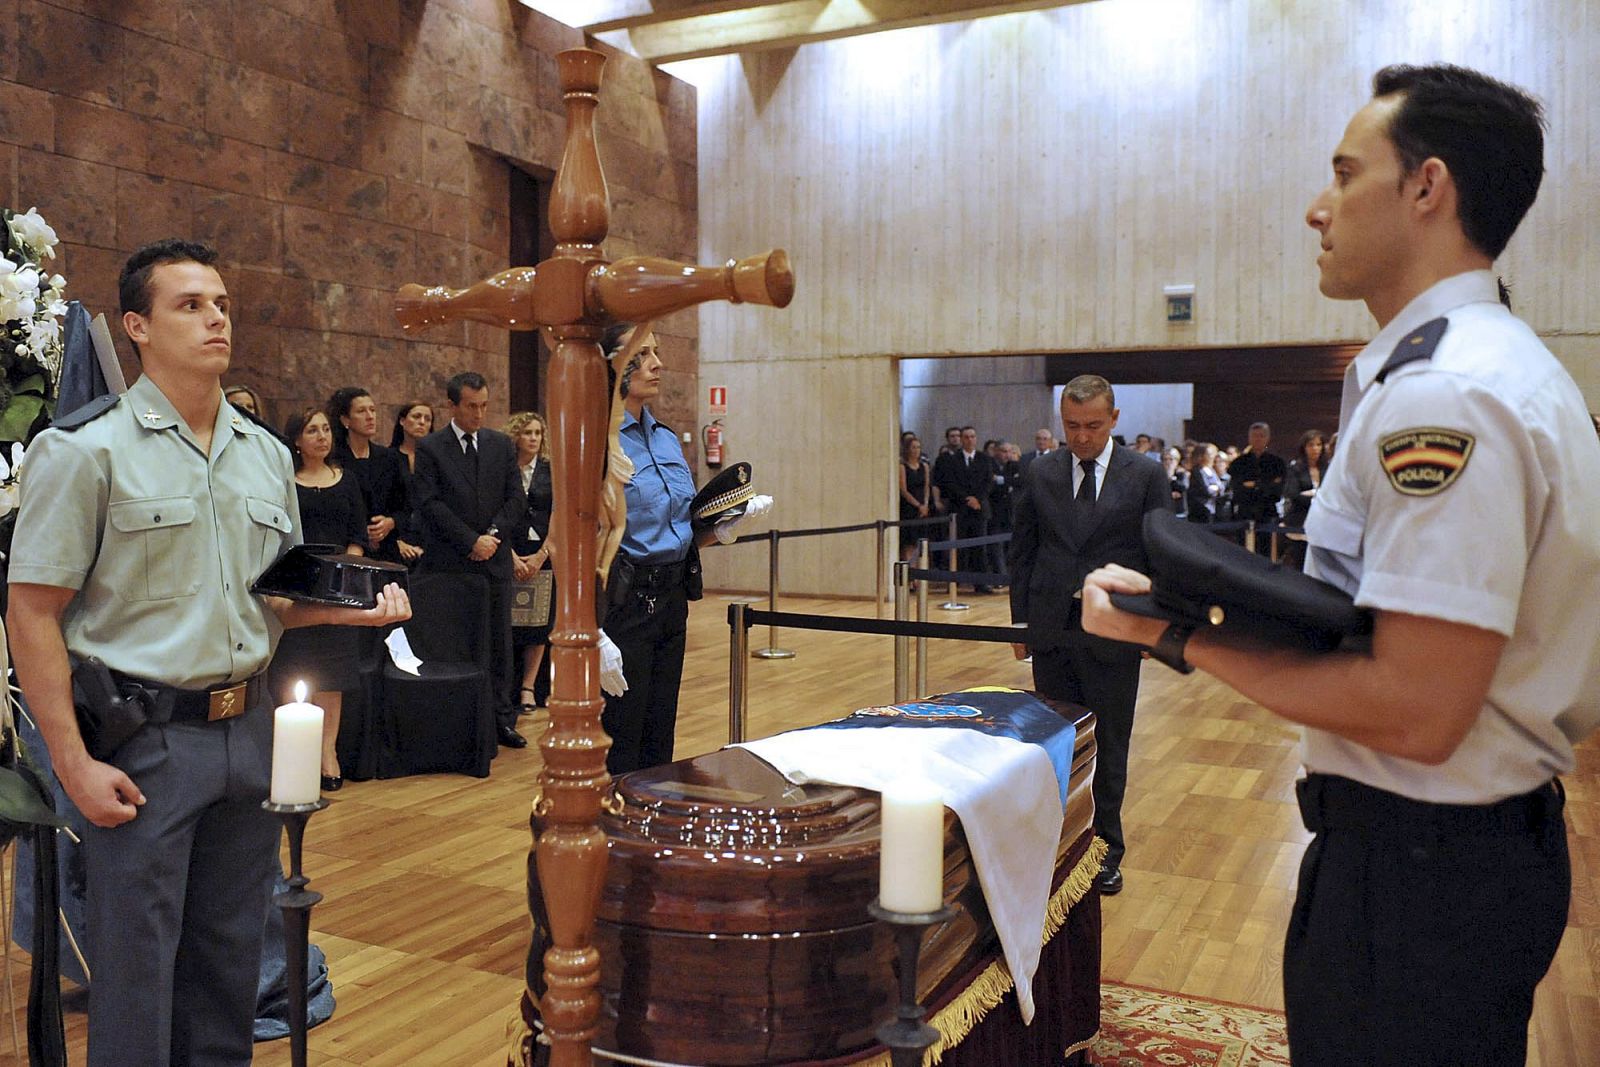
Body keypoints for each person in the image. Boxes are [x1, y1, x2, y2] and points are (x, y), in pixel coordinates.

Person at [1082, 65, 1599, 1065]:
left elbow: (1415, 707)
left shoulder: (1446, 395)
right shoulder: (1497, 366)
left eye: (1343, 172)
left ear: (1425, 188)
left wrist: (1171, 634)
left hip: (1417, 872)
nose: (1316, 208)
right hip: (1455, 855)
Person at [5, 238, 408, 1067]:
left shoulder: (263, 454)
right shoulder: (85, 449)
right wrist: (72, 765)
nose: (215, 316)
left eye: (220, 302)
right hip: (144, 745)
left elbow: (269, 605)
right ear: (136, 327)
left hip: (248, 733)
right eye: (189, 304)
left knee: (228, 973)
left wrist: (349, 614)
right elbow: (31, 612)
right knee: (137, 978)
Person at [1008, 374, 1169, 896]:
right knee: (1052, 743)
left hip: (1116, 628)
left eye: (1093, 426)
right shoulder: (1040, 471)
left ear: (1115, 420)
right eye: (1072, 425)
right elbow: (1023, 550)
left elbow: (1159, 555)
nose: (1081, 436)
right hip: (1053, 625)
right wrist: (1020, 623)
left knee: (1110, 742)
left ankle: (1104, 851)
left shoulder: (1145, 474)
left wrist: (1152, 626)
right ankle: (1053, 847)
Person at [597, 324, 772, 775]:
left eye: (657, 352)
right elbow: (578, 540)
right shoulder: (599, 441)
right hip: (624, 604)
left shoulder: (666, 438)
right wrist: (590, 633)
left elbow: (682, 527)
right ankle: (613, 835)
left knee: (660, 728)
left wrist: (725, 529)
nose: (658, 363)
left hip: (672, 599)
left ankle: (655, 830)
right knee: (621, 734)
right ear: (616, 364)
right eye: (645, 354)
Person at [412, 371, 529, 749]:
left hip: (493, 560)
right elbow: (429, 504)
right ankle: (460, 722)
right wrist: (469, 540)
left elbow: (515, 499)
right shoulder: (431, 448)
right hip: (452, 562)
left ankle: (501, 719)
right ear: (453, 405)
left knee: (499, 643)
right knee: (458, 643)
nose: (479, 414)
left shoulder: (500, 445)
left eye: (484, 406)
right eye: (471, 407)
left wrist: (492, 536)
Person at [270, 407, 368, 791]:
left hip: (337, 587)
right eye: (313, 430)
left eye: (326, 429)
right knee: (295, 665)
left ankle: (328, 752)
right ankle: (295, 753)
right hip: (296, 585)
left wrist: (343, 571)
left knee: (333, 673)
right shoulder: (284, 481)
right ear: (296, 439)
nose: (322, 436)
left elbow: (358, 534)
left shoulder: (347, 480)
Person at [505, 410, 554, 716]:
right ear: (516, 437)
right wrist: (510, 556)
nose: (534, 438)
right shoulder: (505, 470)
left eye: (538, 433)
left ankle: (528, 687)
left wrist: (540, 556)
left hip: (543, 552)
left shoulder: (551, 470)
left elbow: (561, 515)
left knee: (539, 625)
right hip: (510, 551)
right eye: (528, 433)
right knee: (511, 623)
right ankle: (507, 686)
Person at [329, 385, 408, 564]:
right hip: (346, 550)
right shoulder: (334, 460)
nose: (370, 416)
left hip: (385, 550)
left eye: (372, 410)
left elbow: (406, 506)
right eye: (361, 411)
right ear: (345, 420)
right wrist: (361, 534)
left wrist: (390, 522)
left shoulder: (389, 457)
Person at [932, 425, 996, 592]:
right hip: (960, 509)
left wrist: (977, 499)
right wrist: (967, 499)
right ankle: (956, 582)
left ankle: (981, 583)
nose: (970, 440)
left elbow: (988, 482)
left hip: (979, 509)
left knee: (980, 547)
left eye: (972, 436)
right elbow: (950, 483)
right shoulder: (953, 460)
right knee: (958, 547)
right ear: (961, 439)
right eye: (966, 437)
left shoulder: (984, 459)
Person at [388, 399, 433, 564]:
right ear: (402, 420)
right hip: (397, 539)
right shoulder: (387, 458)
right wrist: (396, 542)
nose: (422, 422)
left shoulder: (437, 462)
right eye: (416, 416)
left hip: (430, 541)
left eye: (427, 419)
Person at [1280, 429, 1329, 568]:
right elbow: (1293, 494)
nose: (1315, 449)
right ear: (1304, 447)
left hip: (1323, 523)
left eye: (1318, 444)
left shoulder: (1328, 468)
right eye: (1311, 445)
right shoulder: (1296, 468)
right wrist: (1318, 495)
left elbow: (1332, 494)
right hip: (1300, 522)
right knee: (1300, 563)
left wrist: (1311, 493)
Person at [898, 433, 931, 561]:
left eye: (918, 447)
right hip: (910, 506)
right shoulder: (902, 467)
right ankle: (909, 571)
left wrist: (925, 505)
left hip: (923, 507)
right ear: (907, 449)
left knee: (920, 541)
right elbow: (904, 490)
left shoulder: (925, 466)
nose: (916, 450)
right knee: (909, 542)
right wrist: (917, 505)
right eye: (913, 447)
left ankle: (919, 570)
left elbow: (926, 486)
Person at [1185, 442, 1223, 522]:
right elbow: (1206, 489)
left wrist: (1216, 488)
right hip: (1200, 509)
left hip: (1212, 508)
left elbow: (1221, 487)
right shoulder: (1198, 471)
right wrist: (1215, 488)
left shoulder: (1212, 470)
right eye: (1210, 454)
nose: (1212, 456)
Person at [1161, 445, 1188, 516]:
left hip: (1178, 510)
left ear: (1177, 461)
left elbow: (1183, 487)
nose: (1168, 462)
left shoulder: (1181, 473)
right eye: (1165, 459)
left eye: (1171, 459)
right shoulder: (1159, 474)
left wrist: (1172, 478)